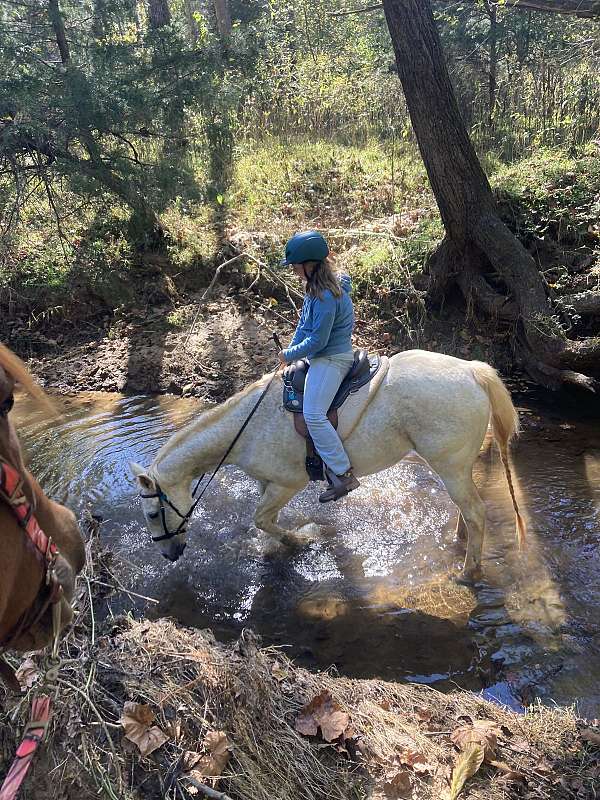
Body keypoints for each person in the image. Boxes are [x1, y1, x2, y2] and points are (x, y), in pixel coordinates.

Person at [279, 230, 360, 503]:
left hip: (332, 359)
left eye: (295, 266)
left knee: (313, 415)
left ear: (309, 265)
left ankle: (343, 473)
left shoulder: (325, 296)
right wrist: (289, 356)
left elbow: (318, 339)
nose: (293, 271)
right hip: (319, 356)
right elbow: (303, 328)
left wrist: (290, 353)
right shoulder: (313, 291)